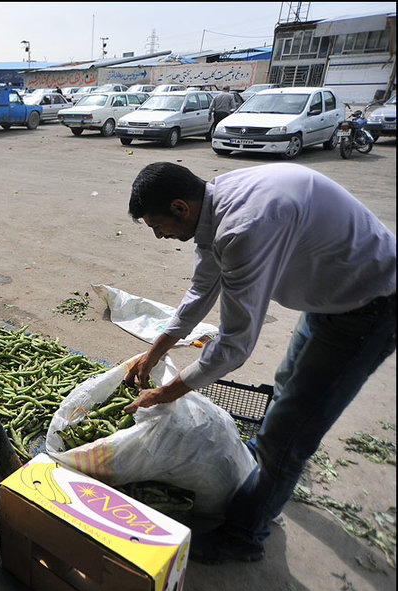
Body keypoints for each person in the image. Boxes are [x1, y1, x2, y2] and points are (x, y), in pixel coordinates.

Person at [123, 162, 396, 565]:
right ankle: (257, 471)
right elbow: (203, 286)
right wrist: (154, 351)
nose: (158, 235)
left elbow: (234, 345)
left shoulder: (243, 228)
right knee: (286, 386)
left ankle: (243, 535)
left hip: (369, 305)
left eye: (155, 225)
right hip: (332, 296)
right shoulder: (215, 202)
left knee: (292, 429)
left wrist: (166, 392)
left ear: (180, 207)